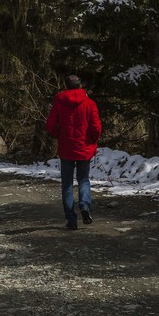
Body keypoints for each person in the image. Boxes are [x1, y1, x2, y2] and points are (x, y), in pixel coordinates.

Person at [45, 74, 101, 230]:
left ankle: (71, 220)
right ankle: (84, 205)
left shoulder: (59, 102)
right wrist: (92, 140)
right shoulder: (90, 103)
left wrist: (60, 135)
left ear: (66, 85)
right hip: (84, 148)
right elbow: (96, 127)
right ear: (80, 85)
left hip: (66, 148)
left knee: (67, 185)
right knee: (83, 179)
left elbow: (50, 126)